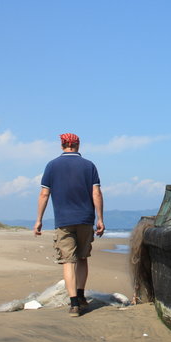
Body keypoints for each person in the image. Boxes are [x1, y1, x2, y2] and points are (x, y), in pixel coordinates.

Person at [34, 133, 105, 317]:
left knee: (68, 261)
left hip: (64, 221)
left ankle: (74, 304)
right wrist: (100, 218)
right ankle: (81, 296)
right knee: (82, 258)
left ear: (62, 145)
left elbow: (44, 194)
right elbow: (96, 193)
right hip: (85, 219)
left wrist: (39, 220)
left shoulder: (51, 166)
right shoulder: (89, 166)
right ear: (78, 144)